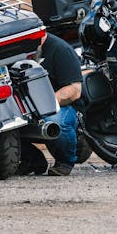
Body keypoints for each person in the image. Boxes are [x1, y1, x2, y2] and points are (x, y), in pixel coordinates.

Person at [18, 31, 83, 176]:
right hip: (26, 105)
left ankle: (65, 161)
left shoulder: (61, 50)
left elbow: (75, 90)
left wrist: (46, 104)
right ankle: (33, 161)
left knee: (55, 122)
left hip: (62, 106)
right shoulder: (18, 50)